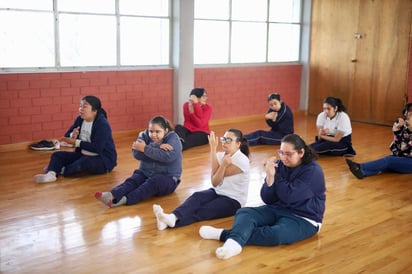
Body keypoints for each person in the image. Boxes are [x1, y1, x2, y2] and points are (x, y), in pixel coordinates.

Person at [199, 134, 326, 260]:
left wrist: (276, 176)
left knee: (276, 234)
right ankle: (235, 243)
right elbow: (267, 199)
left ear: (301, 152)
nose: (284, 157)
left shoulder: (313, 171)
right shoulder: (280, 165)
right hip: (278, 208)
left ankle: (225, 235)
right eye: (281, 153)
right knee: (245, 212)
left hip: (304, 217)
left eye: (288, 154)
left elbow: (289, 196)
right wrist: (270, 178)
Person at [153, 129, 250, 230]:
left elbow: (215, 181)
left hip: (233, 201)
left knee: (204, 209)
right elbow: (214, 182)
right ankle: (172, 217)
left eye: (229, 140)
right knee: (196, 197)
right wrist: (213, 149)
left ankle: (170, 223)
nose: (224, 142)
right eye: (224, 139)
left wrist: (223, 164)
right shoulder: (220, 155)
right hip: (218, 192)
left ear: (238, 143)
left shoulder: (242, 160)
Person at [95, 115, 182, 208]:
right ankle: (111, 195)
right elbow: (136, 154)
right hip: (146, 172)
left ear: (166, 131)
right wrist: (157, 148)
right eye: (151, 131)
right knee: (133, 181)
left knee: (152, 182)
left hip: (167, 178)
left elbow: (167, 156)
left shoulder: (173, 138)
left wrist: (145, 148)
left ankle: (125, 200)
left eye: (157, 131)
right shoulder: (143, 135)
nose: (153, 134)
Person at [33, 95, 117, 183]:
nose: (81, 109)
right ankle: (51, 174)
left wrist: (76, 142)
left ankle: (59, 169)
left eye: (85, 106)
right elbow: (67, 135)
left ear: (94, 111)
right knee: (57, 155)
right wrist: (73, 135)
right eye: (80, 106)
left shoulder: (102, 124)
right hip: (83, 154)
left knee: (84, 162)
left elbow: (97, 148)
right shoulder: (80, 119)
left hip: (102, 160)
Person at [346, 103, 412, 179]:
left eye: (411, 115)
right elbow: (397, 146)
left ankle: (360, 168)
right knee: (386, 162)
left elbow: (407, 149)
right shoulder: (401, 126)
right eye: (407, 114)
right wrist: (398, 130)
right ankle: (363, 171)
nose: (408, 117)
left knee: (389, 161)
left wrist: (410, 130)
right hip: (402, 157)